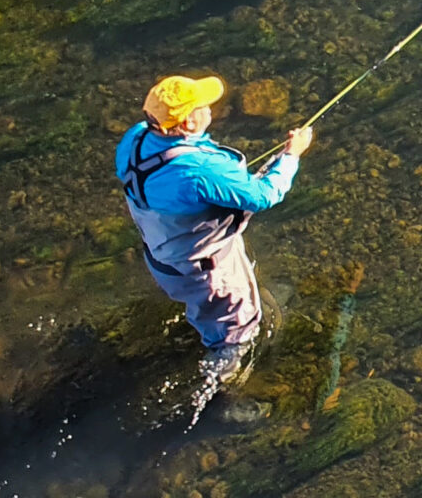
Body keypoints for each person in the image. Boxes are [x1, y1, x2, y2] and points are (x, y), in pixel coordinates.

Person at [114, 74, 315, 419]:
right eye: (202, 105)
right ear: (188, 120)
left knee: (210, 317)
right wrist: (291, 156)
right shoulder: (198, 171)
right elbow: (265, 195)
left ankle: (210, 338)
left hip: (165, 261)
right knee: (237, 334)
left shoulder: (134, 139)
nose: (210, 108)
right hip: (208, 273)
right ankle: (221, 397)